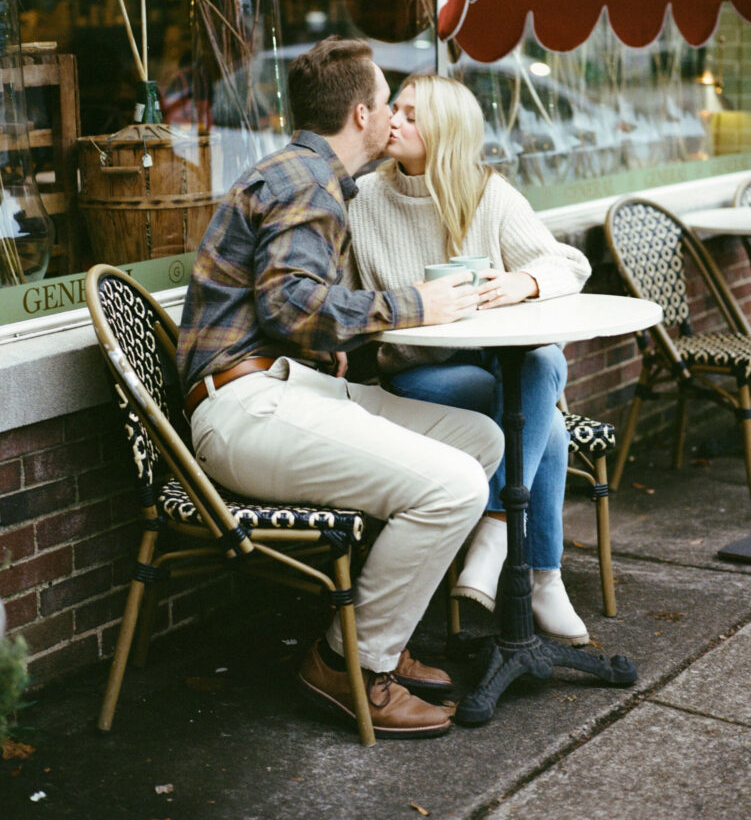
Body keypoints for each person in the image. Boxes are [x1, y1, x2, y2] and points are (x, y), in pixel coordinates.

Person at [176, 38, 504, 739]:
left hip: (281, 391)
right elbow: (290, 307)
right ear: (360, 114)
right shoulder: (306, 181)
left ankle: (382, 631)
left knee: (479, 439)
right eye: (388, 102)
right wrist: (417, 304)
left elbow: (289, 311)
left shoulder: (306, 174)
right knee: (452, 486)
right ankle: (348, 661)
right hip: (244, 410)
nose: (393, 115)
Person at [347, 73, 592, 645]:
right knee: (542, 412)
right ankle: (540, 574)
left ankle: (501, 532)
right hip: (414, 377)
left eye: (410, 114)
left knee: (542, 369)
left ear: (446, 131)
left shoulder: (489, 193)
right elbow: (344, 300)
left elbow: (570, 265)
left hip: (488, 371)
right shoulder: (364, 202)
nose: (393, 122)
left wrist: (524, 281)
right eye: (395, 110)